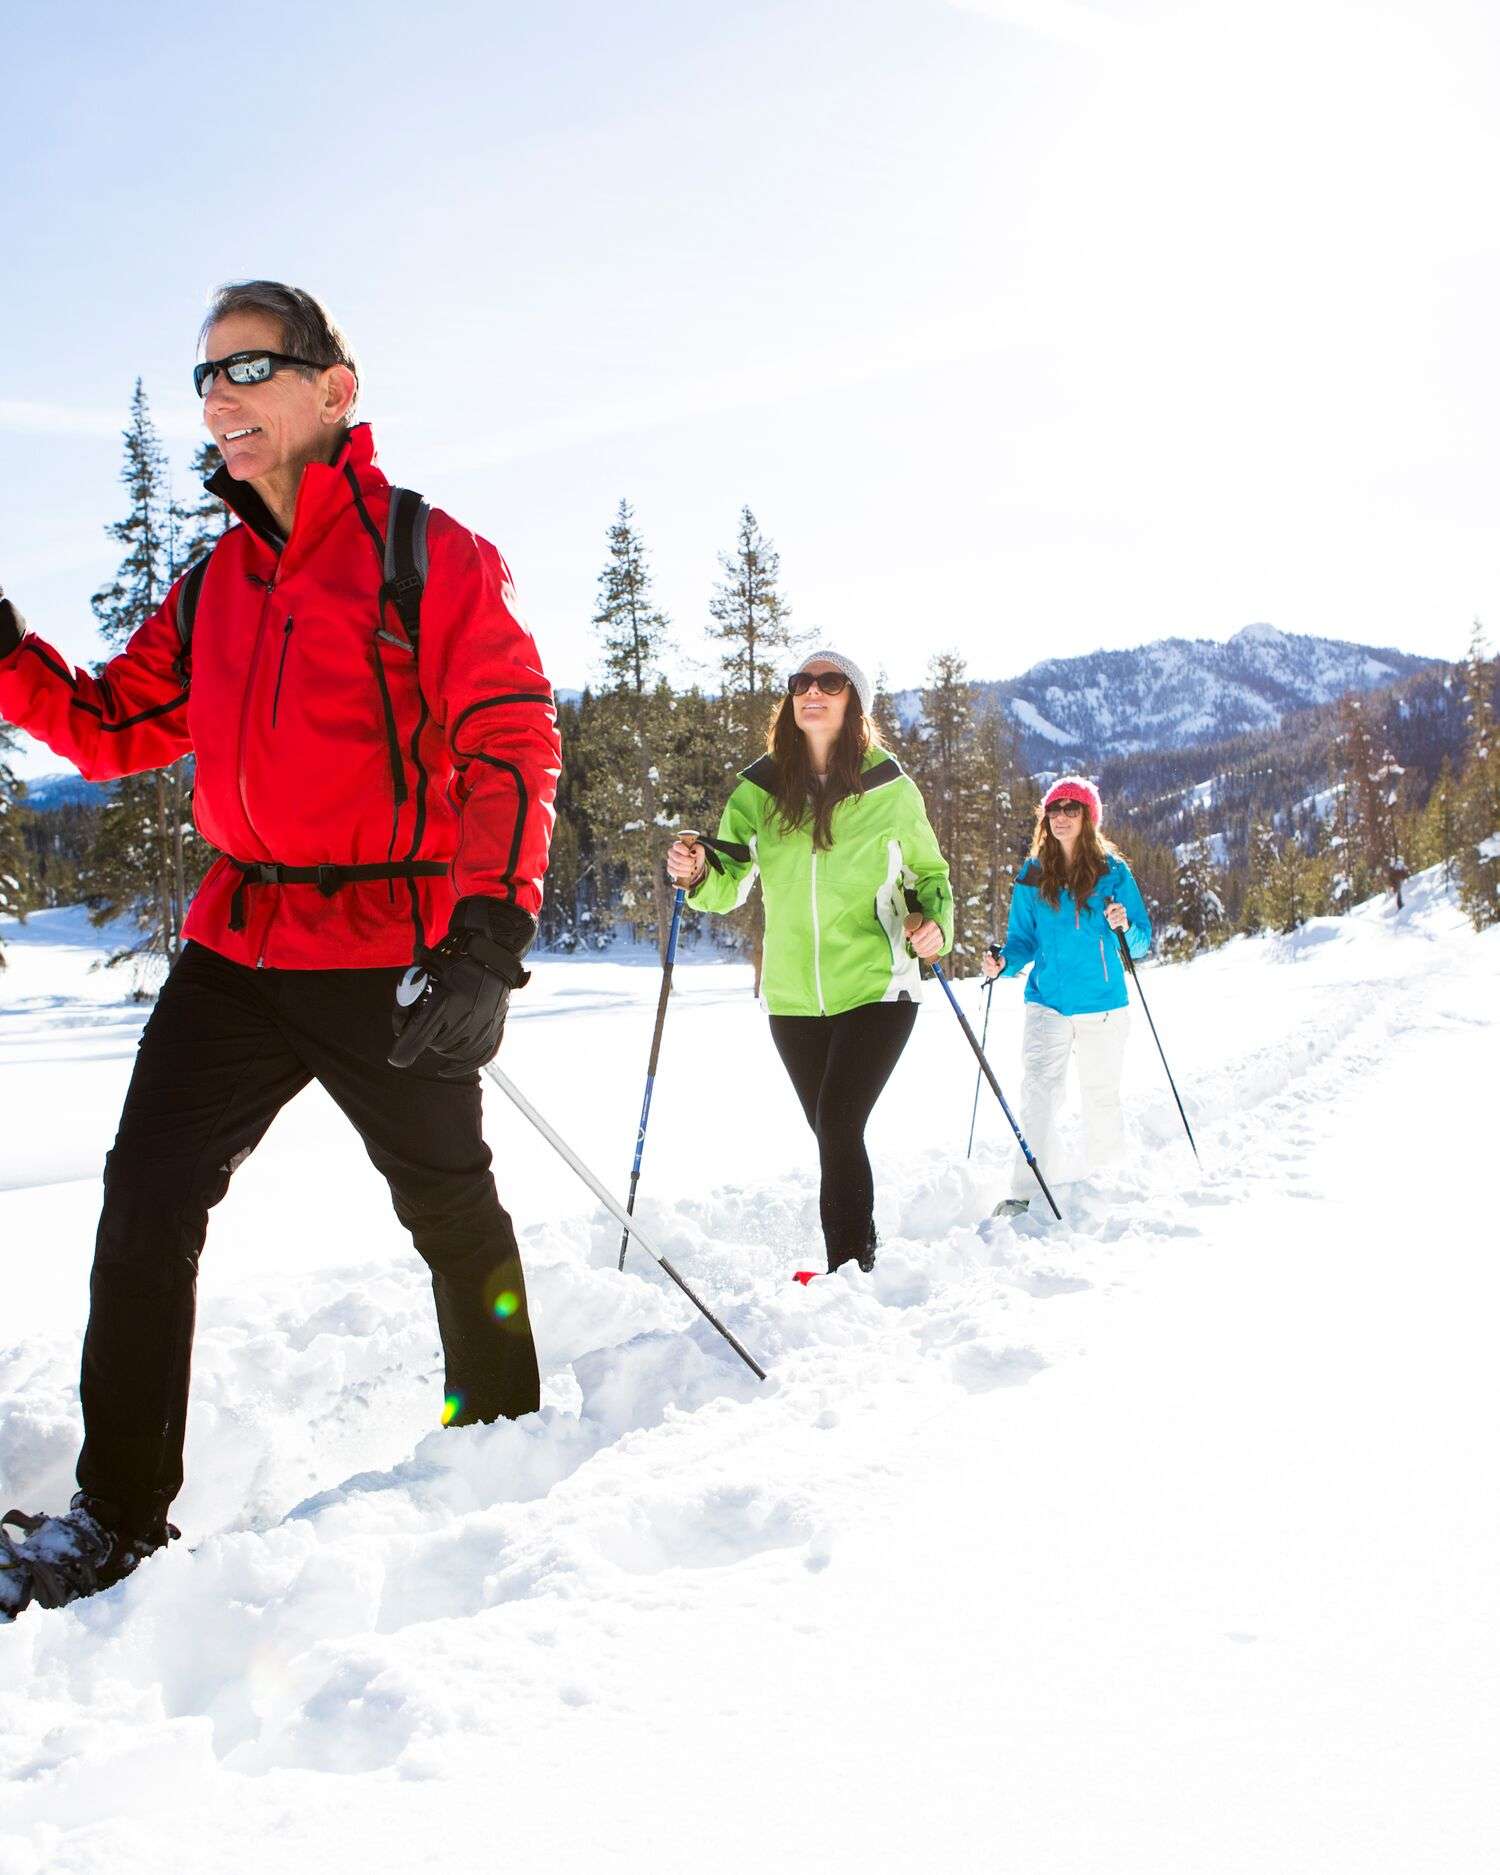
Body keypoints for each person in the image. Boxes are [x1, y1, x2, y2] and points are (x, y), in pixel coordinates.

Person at [0, 281, 560, 1620]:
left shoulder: (428, 555)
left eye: (251, 365)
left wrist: (488, 930)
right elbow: (112, 724)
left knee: (450, 1206)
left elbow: (509, 732)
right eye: (205, 376)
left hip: (392, 942)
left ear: (335, 387)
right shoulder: (216, 587)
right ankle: (117, 1518)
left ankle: (502, 1440)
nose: (222, 396)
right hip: (243, 941)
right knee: (146, 1199)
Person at [667, 650, 952, 1276]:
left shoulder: (890, 789)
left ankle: (851, 1270)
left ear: (855, 702)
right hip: (793, 996)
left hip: (879, 983)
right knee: (831, 1132)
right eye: (801, 682)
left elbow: (929, 874)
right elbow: (729, 877)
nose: (812, 691)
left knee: (840, 1120)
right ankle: (859, 1256)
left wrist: (934, 928)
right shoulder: (762, 789)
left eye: (830, 682)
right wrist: (696, 873)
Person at [981, 776, 1151, 1214]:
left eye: (1071, 809)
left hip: (1103, 1003)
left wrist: (1124, 925)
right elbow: (1021, 940)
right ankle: (1026, 1189)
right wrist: (1005, 962)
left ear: (1088, 817)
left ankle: (1108, 1182)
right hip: (1048, 1000)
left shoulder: (1113, 872)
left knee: (1100, 1094)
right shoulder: (1033, 873)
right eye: (1054, 810)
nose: (1060, 817)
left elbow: (1141, 944)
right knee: (1038, 1091)